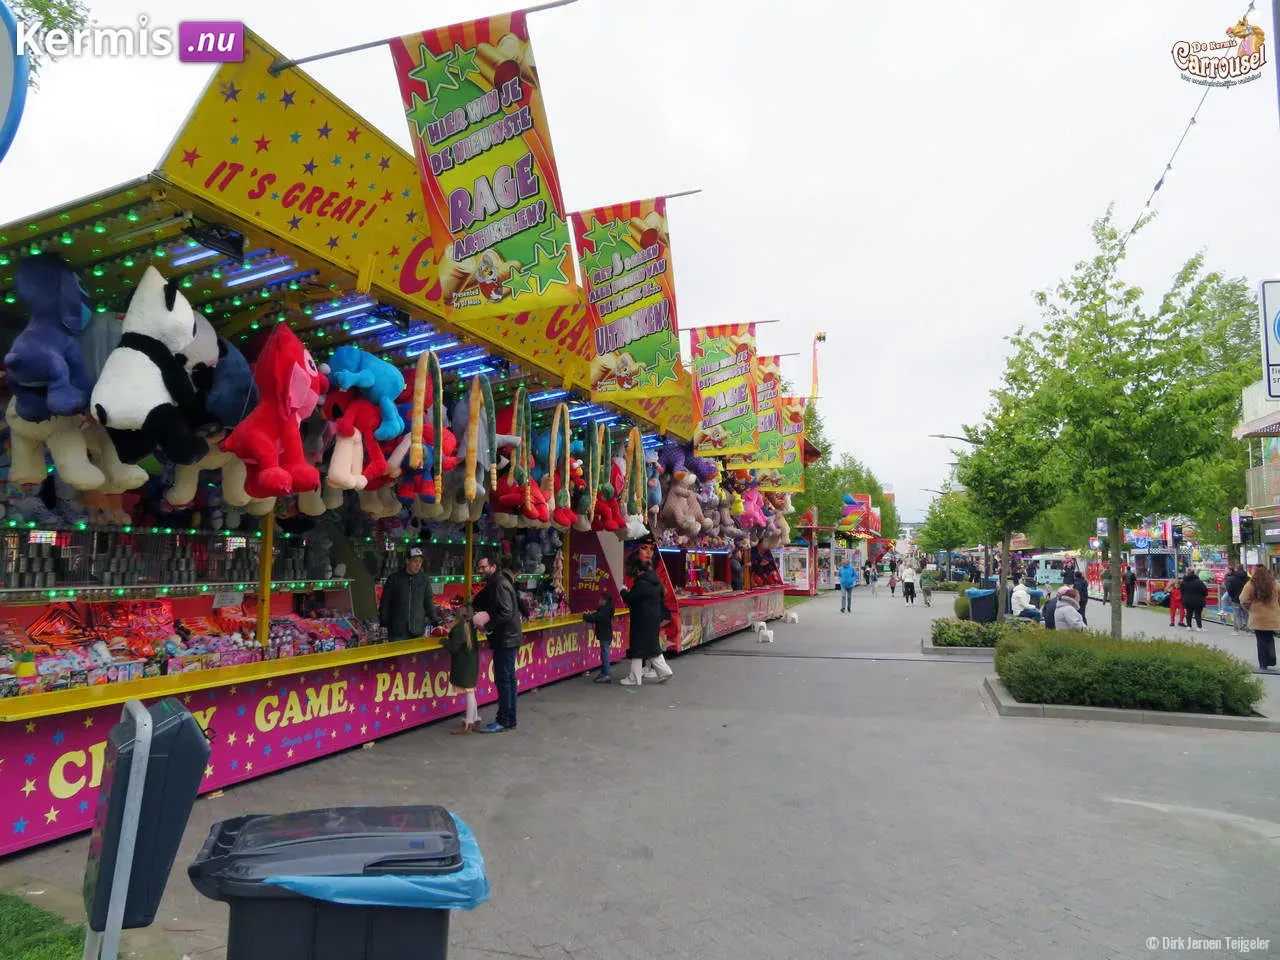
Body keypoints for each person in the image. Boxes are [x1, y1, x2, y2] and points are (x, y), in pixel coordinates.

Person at [473, 554, 524, 733]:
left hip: (506, 639)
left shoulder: (499, 583)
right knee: (508, 679)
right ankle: (509, 718)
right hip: (509, 637)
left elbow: (505, 612)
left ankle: (504, 719)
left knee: (504, 679)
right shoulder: (498, 582)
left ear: (493, 567)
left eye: (484, 567)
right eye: (479, 567)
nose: (481, 571)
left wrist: (487, 626)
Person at [619, 536, 672, 685]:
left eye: (651, 549)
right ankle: (664, 672)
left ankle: (635, 678)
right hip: (652, 620)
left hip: (642, 621)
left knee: (638, 648)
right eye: (645, 548)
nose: (649, 552)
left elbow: (630, 598)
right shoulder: (654, 582)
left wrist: (623, 591)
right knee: (651, 648)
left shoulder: (642, 583)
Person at [441, 605, 485, 734]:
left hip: (464, 666)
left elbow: (453, 647)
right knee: (472, 693)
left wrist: (443, 641)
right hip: (472, 664)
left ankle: (468, 723)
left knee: (469, 694)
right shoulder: (471, 628)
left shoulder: (459, 629)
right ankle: (475, 719)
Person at [378, 546, 436, 642]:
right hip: (397, 631)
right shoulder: (394, 579)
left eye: (420, 562)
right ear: (407, 561)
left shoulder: (424, 579)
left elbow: (428, 601)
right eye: (415, 561)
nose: (418, 565)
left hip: (417, 630)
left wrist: (434, 620)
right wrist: (383, 622)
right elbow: (385, 602)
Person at [1240, 564, 1279, 671]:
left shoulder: (1250, 584)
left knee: (1260, 640)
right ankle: (1271, 660)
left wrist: (1250, 609)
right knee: (1269, 638)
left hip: (1257, 617)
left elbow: (1243, 599)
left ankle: (1263, 664)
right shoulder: (1274, 583)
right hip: (1272, 617)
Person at [582, 593, 616, 683]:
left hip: (605, 635)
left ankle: (607, 674)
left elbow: (596, 617)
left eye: (600, 600)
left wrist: (586, 616)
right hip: (605, 634)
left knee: (605, 654)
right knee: (603, 654)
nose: (599, 601)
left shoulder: (605, 610)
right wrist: (590, 614)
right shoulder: (606, 609)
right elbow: (596, 614)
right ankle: (603, 672)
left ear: (604, 601)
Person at [1225, 562, 1250, 635]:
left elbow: (1229, 589)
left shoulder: (1232, 579)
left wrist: (1232, 596)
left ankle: (1236, 631)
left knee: (1236, 615)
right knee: (1247, 615)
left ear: (1236, 569)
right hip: (1246, 600)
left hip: (1235, 599)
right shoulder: (1248, 579)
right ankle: (1249, 631)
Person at [1180, 568, 1207, 632]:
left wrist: (1185, 596)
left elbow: (1182, 591)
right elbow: (1204, 590)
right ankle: (1199, 627)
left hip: (1187, 599)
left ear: (1187, 573)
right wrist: (1203, 595)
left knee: (1189, 613)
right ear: (1194, 573)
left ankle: (1189, 626)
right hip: (1198, 599)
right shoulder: (1198, 582)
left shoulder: (1184, 582)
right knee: (1198, 614)